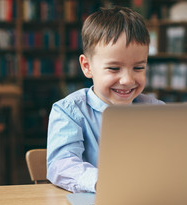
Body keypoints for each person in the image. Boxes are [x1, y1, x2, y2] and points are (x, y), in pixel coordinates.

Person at [47, 6, 164, 193]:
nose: (127, 80)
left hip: (147, 200)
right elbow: (61, 165)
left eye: (139, 68)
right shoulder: (70, 111)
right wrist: (106, 182)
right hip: (95, 200)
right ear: (87, 67)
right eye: (114, 69)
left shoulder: (156, 110)